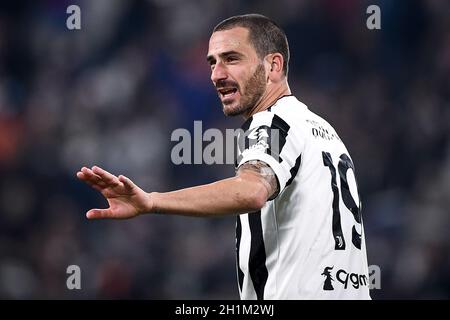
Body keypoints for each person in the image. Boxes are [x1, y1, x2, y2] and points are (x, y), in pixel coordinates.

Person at [77, 14, 371, 300]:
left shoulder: (272, 123)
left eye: (232, 59)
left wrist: (152, 201)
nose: (217, 74)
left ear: (273, 65)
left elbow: (252, 190)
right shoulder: (325, 133)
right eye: (212, 63)